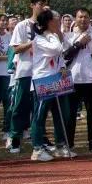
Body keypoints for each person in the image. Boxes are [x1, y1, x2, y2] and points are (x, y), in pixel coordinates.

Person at [29, 9, 73, 161]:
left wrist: (62, 68)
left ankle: (60, 145)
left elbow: (63, 52)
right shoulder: (39, 39)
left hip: (58, 81)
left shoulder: (54, 36)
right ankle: (37, 149)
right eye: (57, 20)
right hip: (43, 81)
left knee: (62, 114)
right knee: (40, 116)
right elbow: (56, 48)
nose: (60, 22)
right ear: (49, 22)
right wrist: (54, 34)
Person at [7, 0, 47, 154]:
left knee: (39, 107)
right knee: (20, 105)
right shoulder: (22, 26)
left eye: (44, 4)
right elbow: (15, 48)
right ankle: (15, 137)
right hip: (25, 70)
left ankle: (38, 136)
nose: (42, 7)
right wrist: (33, 43)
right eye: (39, 4)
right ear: (32, 5)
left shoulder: (46, 26)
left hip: (42, 72)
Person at [64, 7, 92, 153]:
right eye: (80, 17)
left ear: (90, 19)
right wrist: (79, 43)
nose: (83, 20)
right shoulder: (68, 36)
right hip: (72, 79)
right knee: (70, 114)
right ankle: (69, 143)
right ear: (75, 19)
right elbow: (64, 57)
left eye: (86, 17)